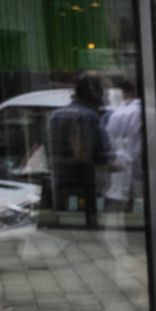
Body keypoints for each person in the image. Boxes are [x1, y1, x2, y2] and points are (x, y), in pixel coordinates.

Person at [47, 71, 113, 228]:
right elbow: (99, 156)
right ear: (94, 93)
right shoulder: (89, 117)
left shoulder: (54, 117)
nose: (104, 98)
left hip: (60, 185)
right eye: (103, 92)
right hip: (86, 186)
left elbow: (49, 154)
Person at [103, 78, 143, 212]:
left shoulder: (116, 114)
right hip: (140, 173)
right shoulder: (146, 112)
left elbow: (108, 143)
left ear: (124, 93)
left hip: (120, 174)